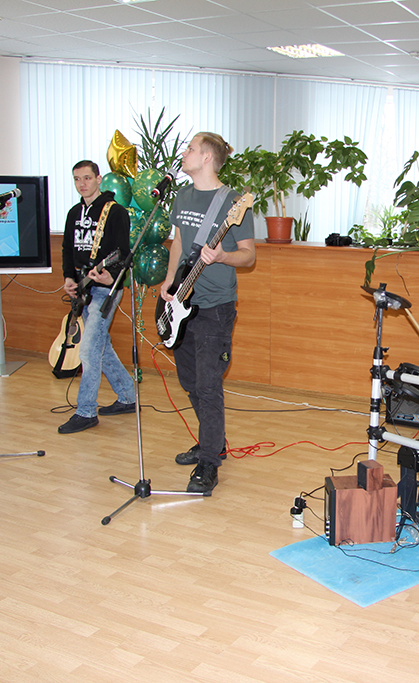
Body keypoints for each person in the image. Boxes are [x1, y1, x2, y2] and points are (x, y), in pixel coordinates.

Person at [160, 133, 255, 495]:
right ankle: (213, 441)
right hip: (181, 302)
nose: (184, 153)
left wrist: (222, 256)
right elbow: (179, 242)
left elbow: (249, 255)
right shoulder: (182, 195)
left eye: (190, 149)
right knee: (189, 382)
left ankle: (209, 463)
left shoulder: (233, 202)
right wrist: (170, 280)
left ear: (207, 158)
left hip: (215, 307)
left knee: (208, 385)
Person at [58, 160, 136, 434]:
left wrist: (110, 276)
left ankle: (86, 411)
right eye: (77, 179)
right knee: (101, 346)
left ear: (99, 179)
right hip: (83, 288)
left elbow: (122, 253)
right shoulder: (73, 213)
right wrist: (69, 278)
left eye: (87, 178)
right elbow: (67, 248)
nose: (82, 184)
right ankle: (127, 396)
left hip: (106, 289)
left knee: (89, 350)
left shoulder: (115, 212)